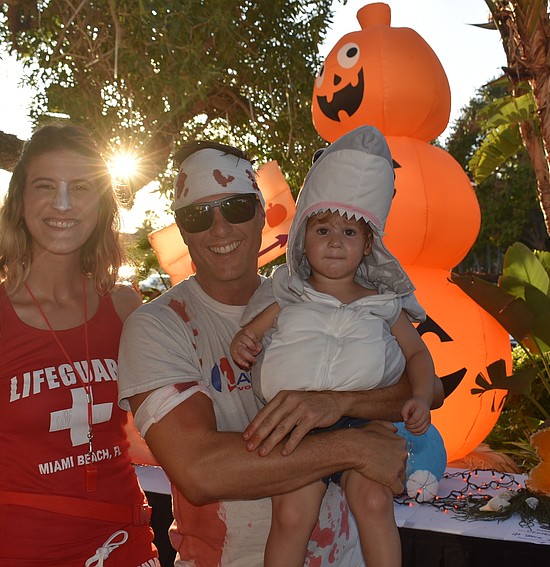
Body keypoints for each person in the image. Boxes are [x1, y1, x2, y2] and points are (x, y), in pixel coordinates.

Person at [117, 139, 442, 566]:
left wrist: (336, 404)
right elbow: (200, 471)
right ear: (181, 229)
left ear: (261, 213)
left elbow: (427, 387)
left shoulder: (318, 291)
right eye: (199, 215)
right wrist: (354, 447)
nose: (219, 229)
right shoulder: (159, 326)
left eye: (235, 208)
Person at [0, 123, 160, 567]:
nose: (63, 203)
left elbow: (153, 434)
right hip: (24, 550)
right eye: (45, 186)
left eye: (80, 187)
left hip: (125, 542)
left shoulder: (126, 306)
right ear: (19, 202)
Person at [229, 125, 442, 566]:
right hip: (294, 426)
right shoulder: (291, 292)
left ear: (368, 246)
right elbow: (253, 332)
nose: (334, 242)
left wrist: (421, 395)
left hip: (362, 425)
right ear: (304, 237)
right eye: (323, 229)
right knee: (290, 515)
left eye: (349, 233)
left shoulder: (384, 304)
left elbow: (418, 354)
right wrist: (244, 343)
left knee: (375, 503)